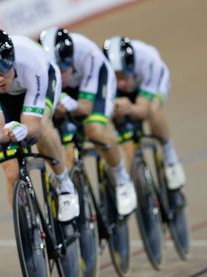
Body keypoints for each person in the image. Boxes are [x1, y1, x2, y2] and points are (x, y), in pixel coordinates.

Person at [0, 28, 79, 222]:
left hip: (40, 84)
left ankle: (64, 186)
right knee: (12, 174)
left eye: (1, 70)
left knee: (43, 128)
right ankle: (27, 228)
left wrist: (22, 129)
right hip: (4, 98)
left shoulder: (32, 62)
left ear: (10, 60)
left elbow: (33, 126)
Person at [38, 27, 137, 216]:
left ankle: (122, 179)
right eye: (55, 72)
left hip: (97, 84)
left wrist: (69, 105)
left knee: (94, 131)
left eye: (63, 70)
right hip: (64, 93)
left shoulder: (87, 53)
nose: (60, 76)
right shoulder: (39, 63)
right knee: (60, 144)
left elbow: (85, 107)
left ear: (70, 62)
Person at [103, 36, 186, 190]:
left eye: (123, 76)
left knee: (153, 110)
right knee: (126, 145)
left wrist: (131, 109)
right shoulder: (103, 70)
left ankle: (170, 155)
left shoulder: (148, 60)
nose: (121, 82)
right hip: (123, 94)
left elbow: (144, 110)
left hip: (150, 83)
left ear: (131, 66)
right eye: (116, 77)